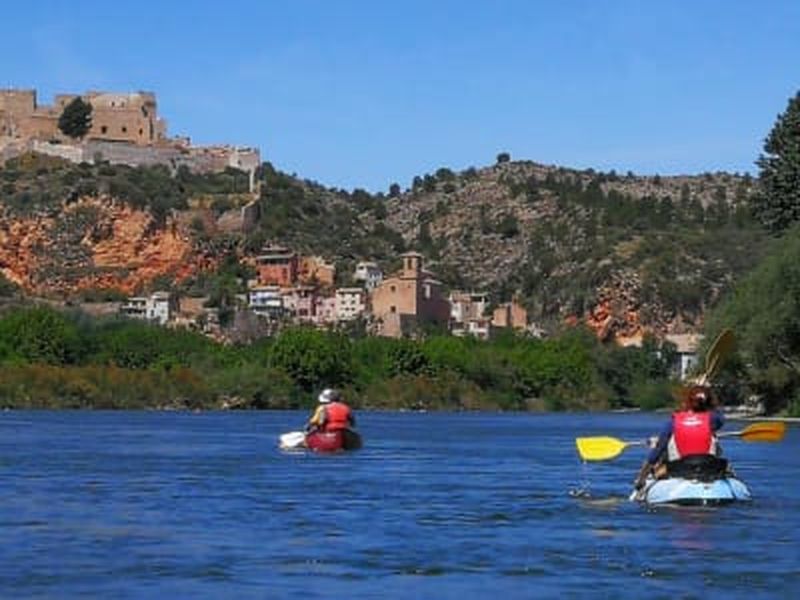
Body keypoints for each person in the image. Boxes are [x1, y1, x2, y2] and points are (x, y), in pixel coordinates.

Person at [633, 384, 725, 490]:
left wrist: (641, 478)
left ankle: (656, 473)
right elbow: (720, 417)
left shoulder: (674, 421)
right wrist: (706, 391)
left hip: (680, 468)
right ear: (707, 403)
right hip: (708, 466)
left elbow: (657, 452)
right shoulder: (712, 420)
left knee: (662, 454)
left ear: (688, 403)